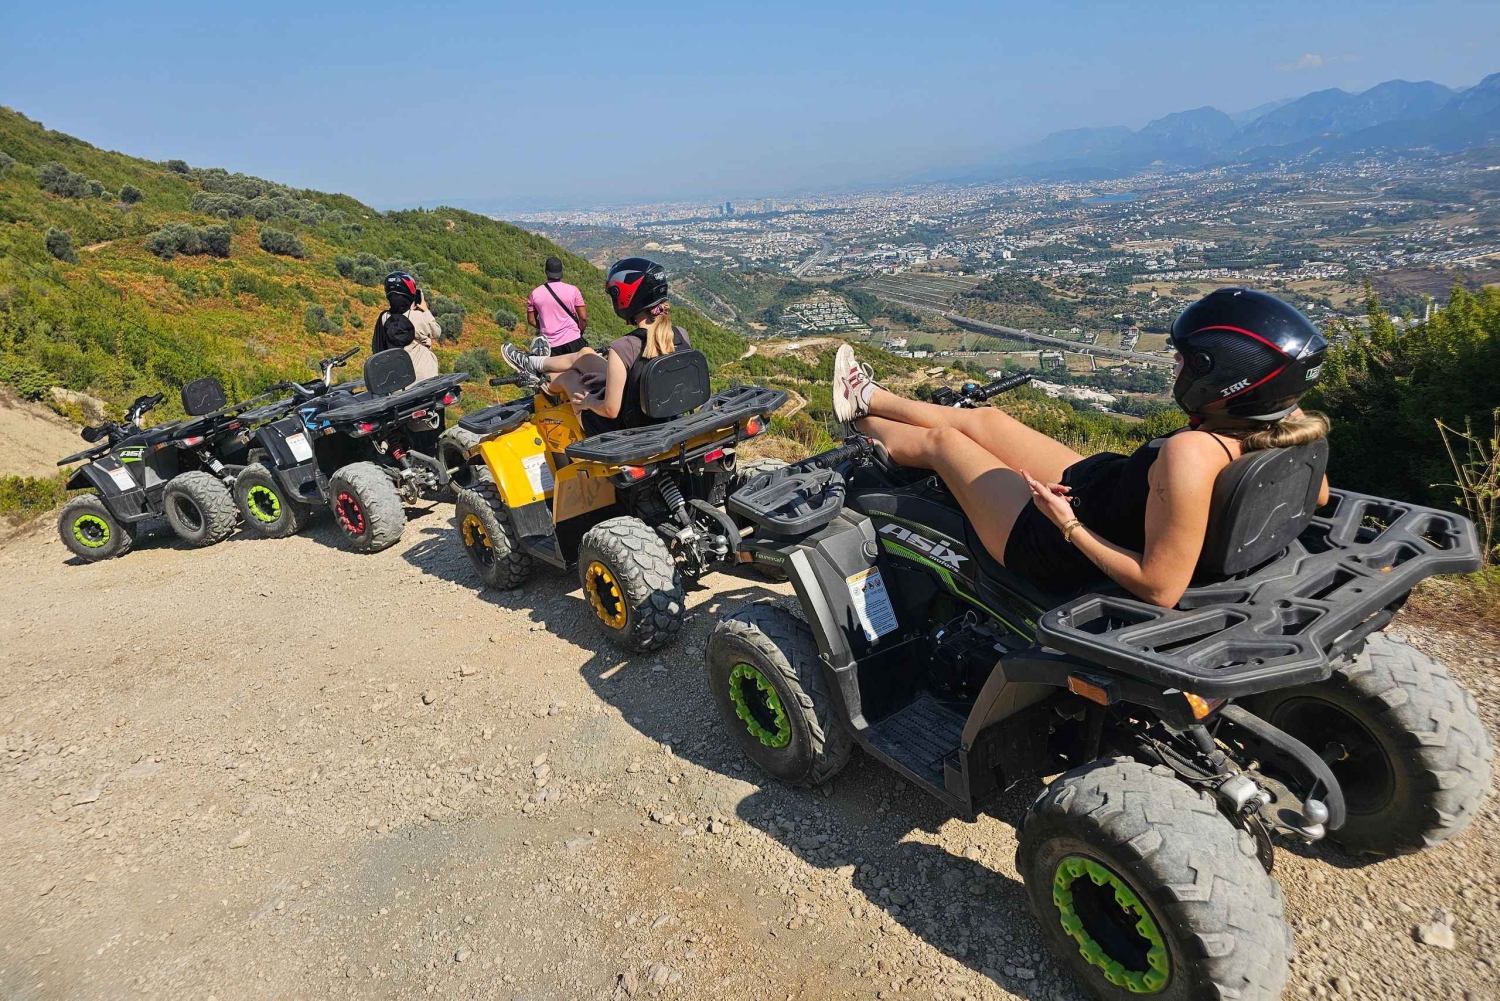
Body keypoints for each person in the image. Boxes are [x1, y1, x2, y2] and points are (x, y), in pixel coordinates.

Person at [830, 288, 1331, 608]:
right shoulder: (1287, 430)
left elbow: (1160, 587)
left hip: (1050, 538)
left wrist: (1066, 524)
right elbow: (1320, 495)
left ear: (1222, 380)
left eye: (1186, 360)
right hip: (1102, 488)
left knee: (945, 443)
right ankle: (867, 398)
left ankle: (861, 429)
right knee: (987, 420)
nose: (1177, 366)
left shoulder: (1194, 453)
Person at [502, 257, 688, 436]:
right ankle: (533, 363)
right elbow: (653, 374)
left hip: (621, 428)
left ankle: (540, 376)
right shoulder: (680, 334)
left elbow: (610, 410)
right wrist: (611, 378)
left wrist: (588, 402)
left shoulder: (623, 347)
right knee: (585, 353)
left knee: (570, 377)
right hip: (655, 415)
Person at [372, 271, 440, 382]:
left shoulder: (384, 318)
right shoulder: (417, 317)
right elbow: (436, 331)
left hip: (399, 380)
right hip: (423, 379)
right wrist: (426, 310)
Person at [526, 256, 589, 356]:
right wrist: (579, 332)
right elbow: (583, 318)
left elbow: (531, 320)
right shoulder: (573, 290)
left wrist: (546, 328)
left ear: (546, 272)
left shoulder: (535, 294)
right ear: (561, 272)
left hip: (551, 345)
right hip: (573, 340)